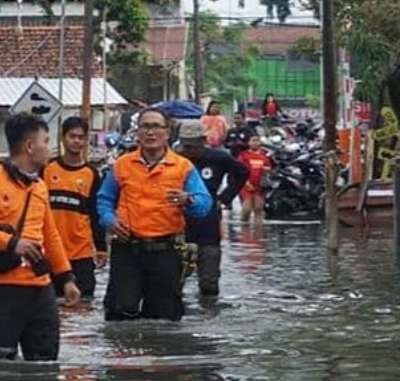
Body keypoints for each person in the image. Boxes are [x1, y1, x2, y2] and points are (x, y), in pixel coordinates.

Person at [0, 113, 81, 360]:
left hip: (39, 288)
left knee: (45, 360)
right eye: (45, 141)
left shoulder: (39, 186)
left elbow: (51, 235)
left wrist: (66, 278)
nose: (49, 148)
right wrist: (12, 243)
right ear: (29, 146)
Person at [96, 107, 213, 321]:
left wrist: (188, 199)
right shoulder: (122, 165)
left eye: (156, 127)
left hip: (165, 251)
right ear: (137, 133)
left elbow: (205, 205)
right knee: (120, 310)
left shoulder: (183, 167)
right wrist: (109, 220)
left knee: (163, 317)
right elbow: (104, 200)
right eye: (145, 127)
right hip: (126, 249)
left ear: (167, 133)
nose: (150, 133)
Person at [176, 120, 249, 297]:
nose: (191, 151)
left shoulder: (218, 158)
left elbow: (242, 173)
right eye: (187, 146)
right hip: (177, 221)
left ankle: (209, 313)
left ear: (203, 140)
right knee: (174, 280)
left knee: (209, 281)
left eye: (194, 146)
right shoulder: (173, 159)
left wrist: (224, 198)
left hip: (207, 221)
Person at [43, 116, 107, 298]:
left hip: (80, 252)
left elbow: (96, 213)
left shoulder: (92, 174)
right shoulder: (47, 169)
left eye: (81, 137)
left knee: (83, 302)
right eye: (72, 136)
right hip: (49, 251)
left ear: (86, 141)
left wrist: (101, 247)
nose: (76, 141)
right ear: (63, 138)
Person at [237, 133, 273, 223]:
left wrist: (266, 169)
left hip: (259, 185)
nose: (255, 143)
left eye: (257, 140)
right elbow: (239, 169)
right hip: (246, 184)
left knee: (258, 209)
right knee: (247, 209)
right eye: (253, 140)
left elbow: (269, 167)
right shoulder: (243, 155)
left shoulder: (264, 156)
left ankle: (258, 231)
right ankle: (244, 228)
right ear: (249, 143)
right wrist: (245, 182)